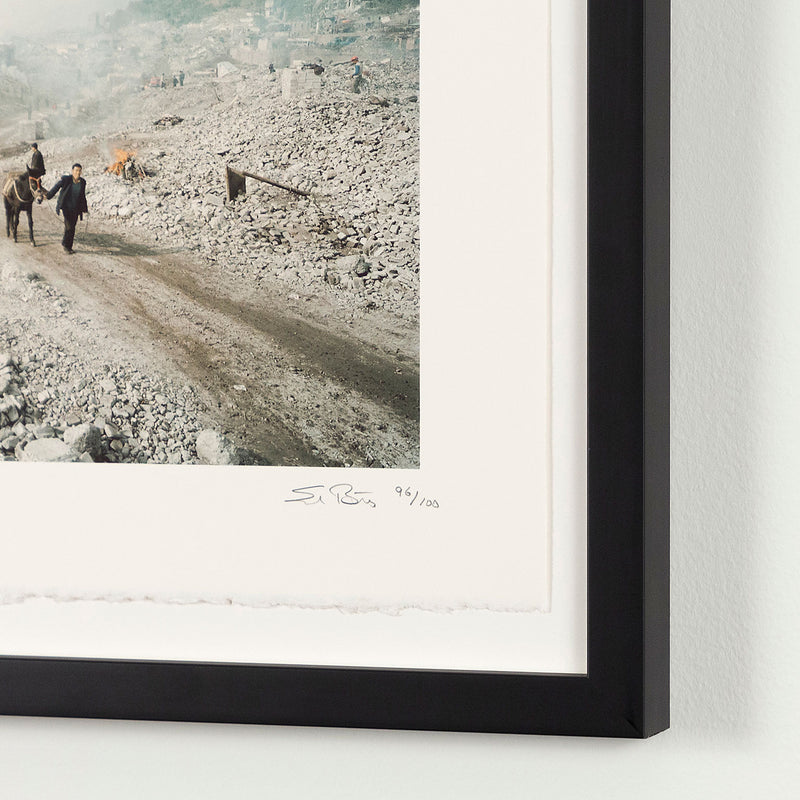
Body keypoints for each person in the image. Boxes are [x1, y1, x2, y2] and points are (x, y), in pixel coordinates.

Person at [46, 163, 88, 254]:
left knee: (72, 226)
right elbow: (56, 187)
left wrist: (84, 208)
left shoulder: (83, 182)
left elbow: (82, 196)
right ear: (72, 171)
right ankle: (67, 246)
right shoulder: (66, 179)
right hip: (66, 207)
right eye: (76, 170)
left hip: (76, 208)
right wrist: (49, 195)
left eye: (79, 171)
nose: (78, 172)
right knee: (70, 227)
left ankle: (66, 243)